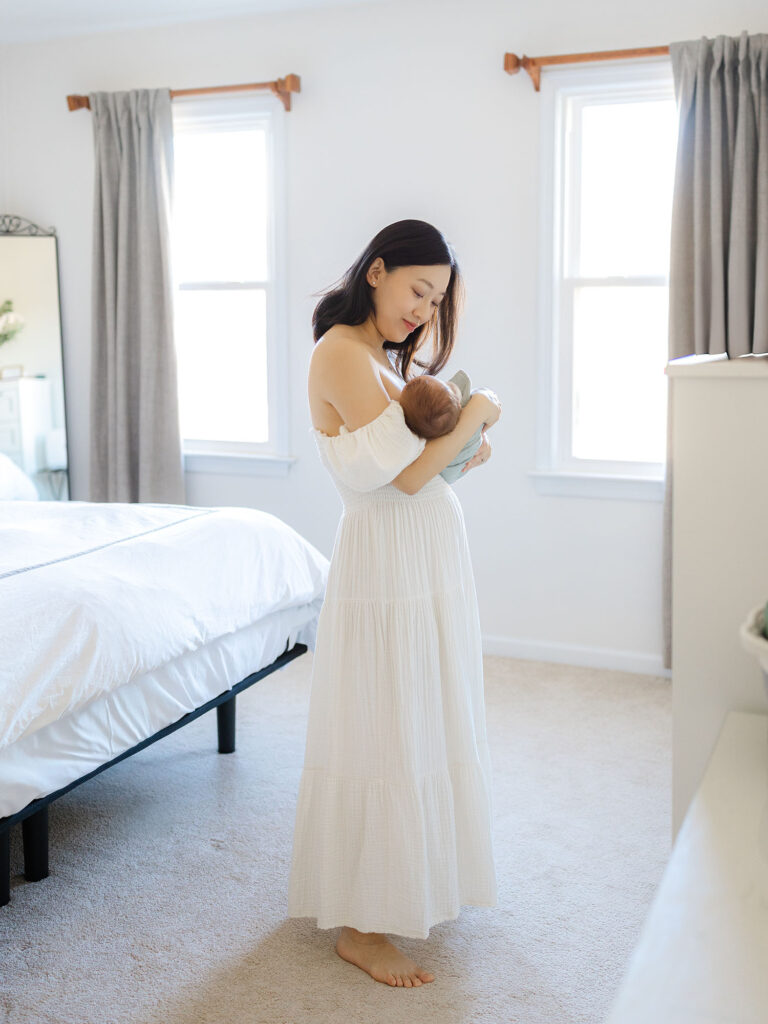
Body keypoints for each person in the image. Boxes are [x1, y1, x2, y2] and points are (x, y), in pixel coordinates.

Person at [287, 219, 502, 988]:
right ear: (376, 271)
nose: (424, 309)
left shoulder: (382, 358)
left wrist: (463, 451)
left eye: (437, 300)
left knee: (421, 717)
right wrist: (479, 415)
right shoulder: (340, 352)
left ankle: (407, 882)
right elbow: (401, 479)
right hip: (385, 566)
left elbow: (421, 470)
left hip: (423, 560)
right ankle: (362, 926)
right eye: (418, 289)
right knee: (384, 727)